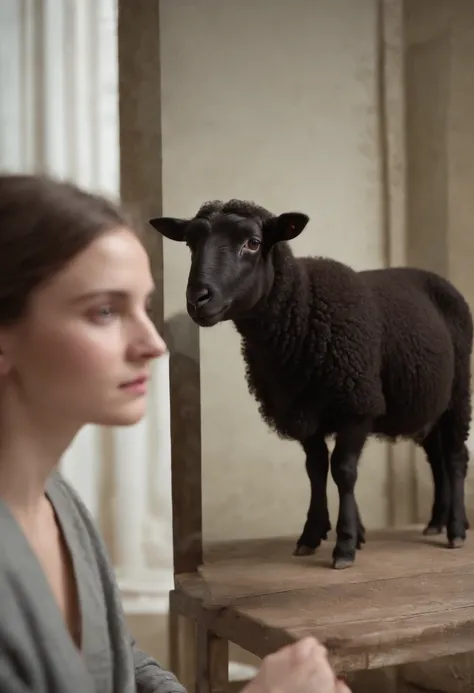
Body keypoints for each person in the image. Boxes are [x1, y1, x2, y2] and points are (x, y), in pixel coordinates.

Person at [0, 173, 350, 693]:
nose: (153, 344)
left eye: (143, 307)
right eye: (104, 311)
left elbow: (119, 663)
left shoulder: (59, 504)